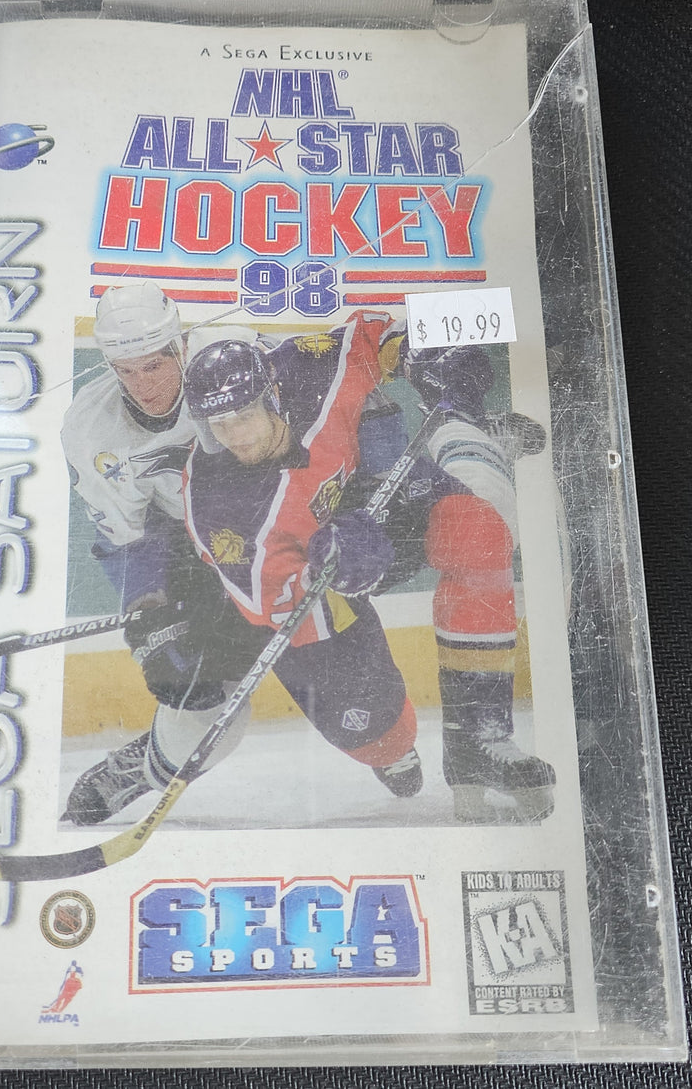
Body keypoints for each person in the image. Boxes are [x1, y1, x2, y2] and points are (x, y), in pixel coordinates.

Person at [182, 316, 555, 823]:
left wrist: (427, 349)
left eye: (244, 415)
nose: (235, 437)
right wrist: (342, 571)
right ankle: (390, 752)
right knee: (382, 738)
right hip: (320, 578)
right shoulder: (215, 507)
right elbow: (275, 607)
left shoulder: (309, 366)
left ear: (273, 394)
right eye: (218, 424)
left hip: (384, 494)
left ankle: (479, 740)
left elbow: (385, 332)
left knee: (480, 530)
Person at [60, 281, 259, 824]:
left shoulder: (243, 357)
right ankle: (143, 769)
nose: (143, 386)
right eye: (125, 370)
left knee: (374, 732)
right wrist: (149, 612)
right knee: (203, 700)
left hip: (286, 518)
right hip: (190, 543)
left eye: (154, 365)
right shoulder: (90, 426)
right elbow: (125, 536)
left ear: (181, 345)